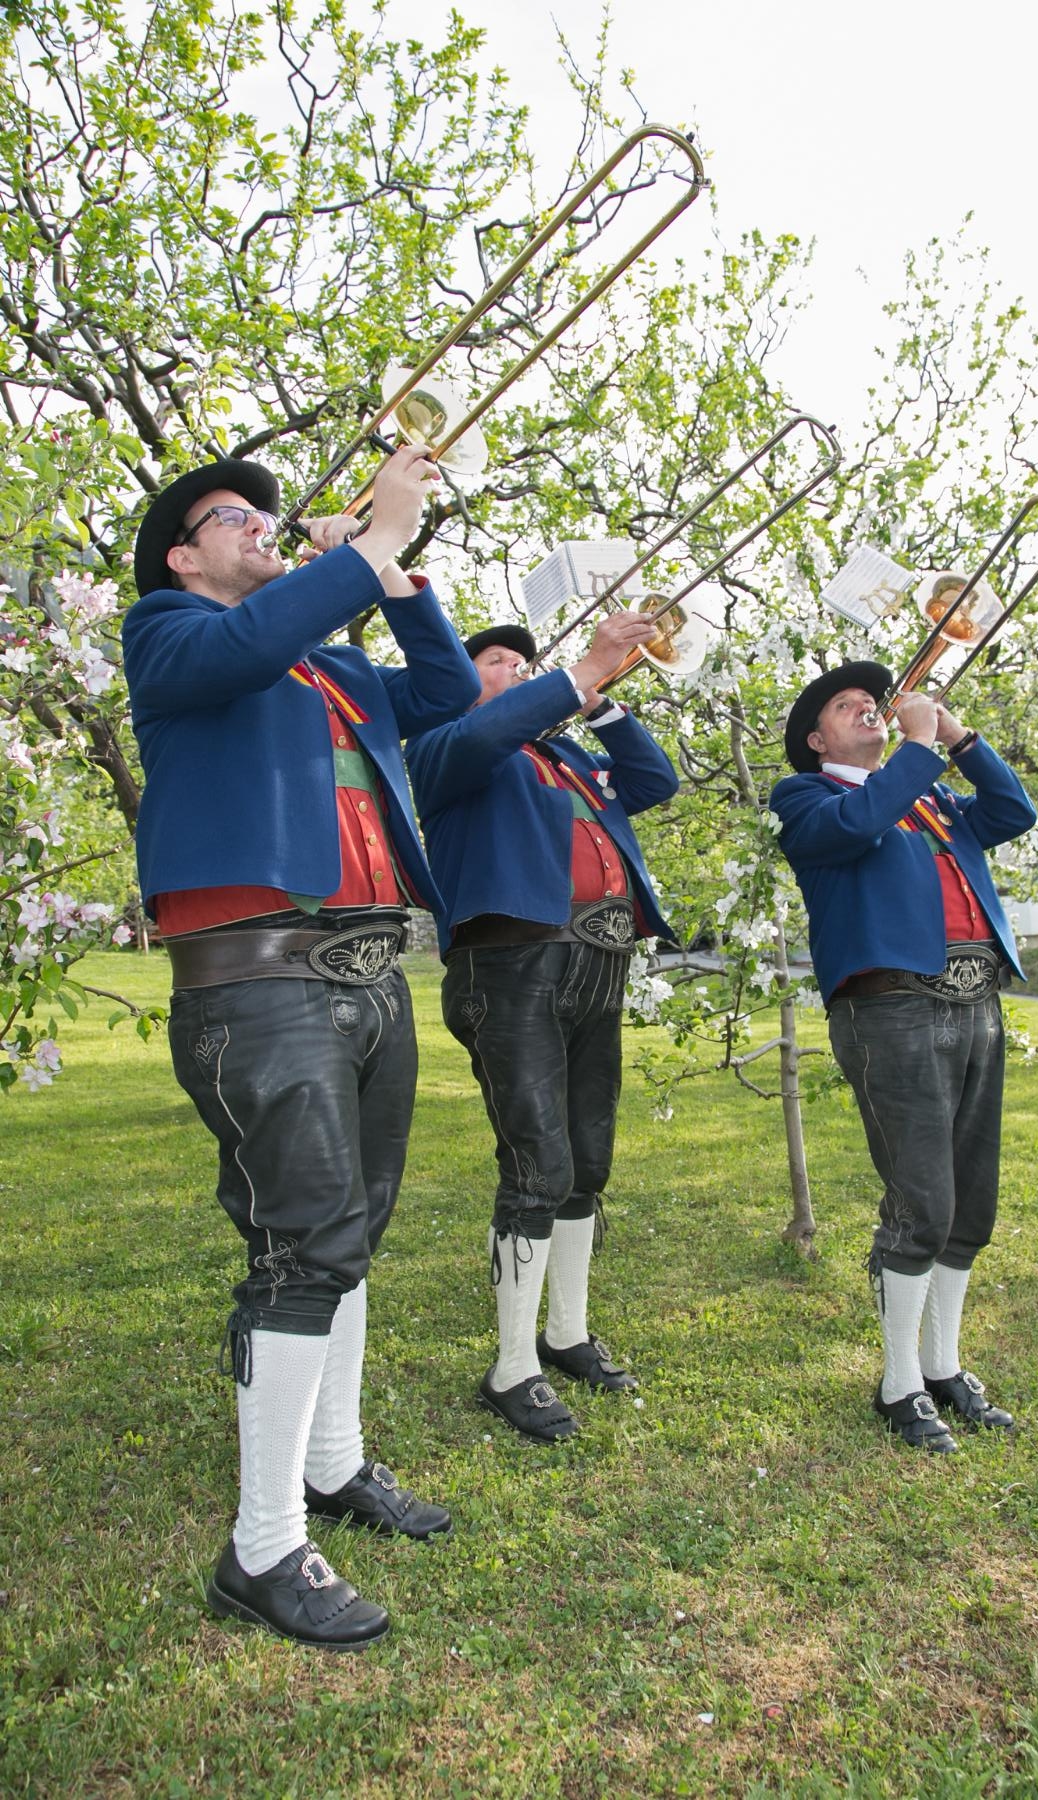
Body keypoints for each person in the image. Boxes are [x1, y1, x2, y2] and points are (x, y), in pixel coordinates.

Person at [123, 444, 480, 1648]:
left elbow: (443, 697)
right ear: (184, 553)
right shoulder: (168, 632)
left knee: (351, 1234)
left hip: (369, 977)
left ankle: (337, 1462)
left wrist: (397, 573)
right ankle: (263, 1548)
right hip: (262, 981)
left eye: (275, 518)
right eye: (238, 518)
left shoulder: (326, 663)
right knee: (306, 1244)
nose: (268, 527)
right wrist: (364, 544)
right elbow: (240, 646)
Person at [406, 614, 679, 1442]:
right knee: (538, 1164)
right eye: (497, 661)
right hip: (511, 969)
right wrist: (560, 684)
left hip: (598, 965)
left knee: (586, 1162)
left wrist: (599, 706)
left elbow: (654, 782)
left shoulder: (569, 761)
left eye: (527, 663)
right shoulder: (446, 747)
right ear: (462, 680)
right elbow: (489, 732)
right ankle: (510, 1366)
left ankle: (565, 1335)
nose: (517, 671)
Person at [771, 661, 1037, 1453]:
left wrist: (954, 736)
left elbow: (1013, 812)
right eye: (848, 708)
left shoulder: (930, 795)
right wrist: (920, 748)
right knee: (922, 1203)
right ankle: (898, 1385)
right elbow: (857, 830)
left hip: (974, 999)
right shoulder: (807, 798)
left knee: (969, 1206)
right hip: (891, 1007)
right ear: (819, 740)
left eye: (874, 705)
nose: (871, 711)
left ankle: (943, 1367)